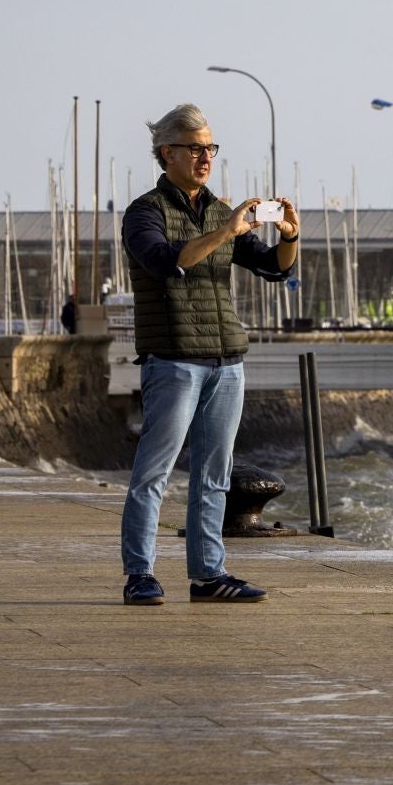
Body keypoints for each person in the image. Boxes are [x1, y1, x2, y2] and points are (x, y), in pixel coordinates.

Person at [118, 103, 299, 606]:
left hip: (226, 362)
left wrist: (290, 236)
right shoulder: (144, 213)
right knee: (154, 472)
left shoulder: (221, 212)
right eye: (196, 148)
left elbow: (272, 268)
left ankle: (208, 575)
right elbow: (166, 262)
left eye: (210, 148)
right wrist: (226, 232)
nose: (205, 157)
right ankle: (139, 574)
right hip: (173, 359)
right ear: (166, 153)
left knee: (214, 476)